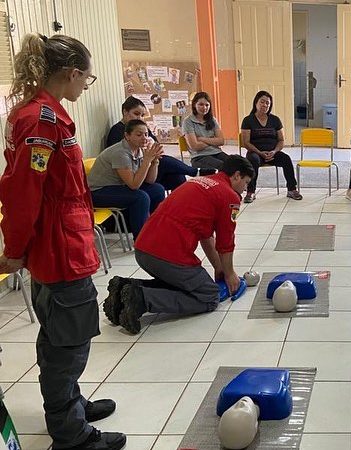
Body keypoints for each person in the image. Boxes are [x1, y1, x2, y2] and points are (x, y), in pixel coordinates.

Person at [0, 33, 125, 450]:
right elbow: (22, 193)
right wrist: (15, 249)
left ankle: (69, 404)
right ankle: (71, 436)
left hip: (66, 243)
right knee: (68, 343)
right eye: (86, 80)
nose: (83, 88)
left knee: (61, 336)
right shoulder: (41, 121)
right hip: (58, 251)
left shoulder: (48, 115)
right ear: (72, 73)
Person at [102, 155, 254, 335]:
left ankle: (124, 290)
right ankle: (142, 299)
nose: (245, 190)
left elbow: (207, 237)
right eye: (245, 183)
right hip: (168, 256)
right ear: (236, 175)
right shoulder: (230, 197)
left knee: (188, 284)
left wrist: (219, 269)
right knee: (209, 296)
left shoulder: (199, 182)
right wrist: (230, 275)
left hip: (143, 249)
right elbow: (225, 242)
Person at [106, 97, 210, 191]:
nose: (140, 118)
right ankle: (195, 171)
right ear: (125, 112)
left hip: (148, 168)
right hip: (131, 175)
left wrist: (152, 153)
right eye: (136, 114)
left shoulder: (142, 127)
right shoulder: (117, 131)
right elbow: (126, 157)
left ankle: (177, 208)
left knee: (178, 178)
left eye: (142, 115)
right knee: (163, 160)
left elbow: (156, 146)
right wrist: (150, 154)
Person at [88, 119, 166, 240]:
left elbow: (150, 181)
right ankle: (141, 240)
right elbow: (134, 185)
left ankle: (153, 229)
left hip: (118, 186)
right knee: (140, 197)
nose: (144, 138)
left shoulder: (139, 149)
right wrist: (146, 161)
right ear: (127, 136)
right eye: (139, 135)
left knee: (157, 189)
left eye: (146, 134)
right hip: (97, 192)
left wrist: (154, 162)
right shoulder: (120, 152)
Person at [240, 91, 302, 202]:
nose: (265, 105)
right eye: (262, 102)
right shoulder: (248, 120)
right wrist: (260, 152)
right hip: (255, 153)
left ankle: (292, 189)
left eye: (267, 103)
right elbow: (246, 142)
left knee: (286, 159)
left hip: (272, 153)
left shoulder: (275, 120)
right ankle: (251, 192)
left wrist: (274, 151)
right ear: (256, 103)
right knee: (253, 160)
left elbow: (281, 140)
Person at [181, 92, 228, 170]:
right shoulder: (188, 121)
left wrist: (202, 139)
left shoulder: (212, 119)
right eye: (201, 104)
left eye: (207, 105)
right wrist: (212, 140)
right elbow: (195, 146)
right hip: (199, 157)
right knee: (223, 167)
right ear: (194, 105)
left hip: (216, 152)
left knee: (237, 163)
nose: (204, 107)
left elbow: (221, 141)